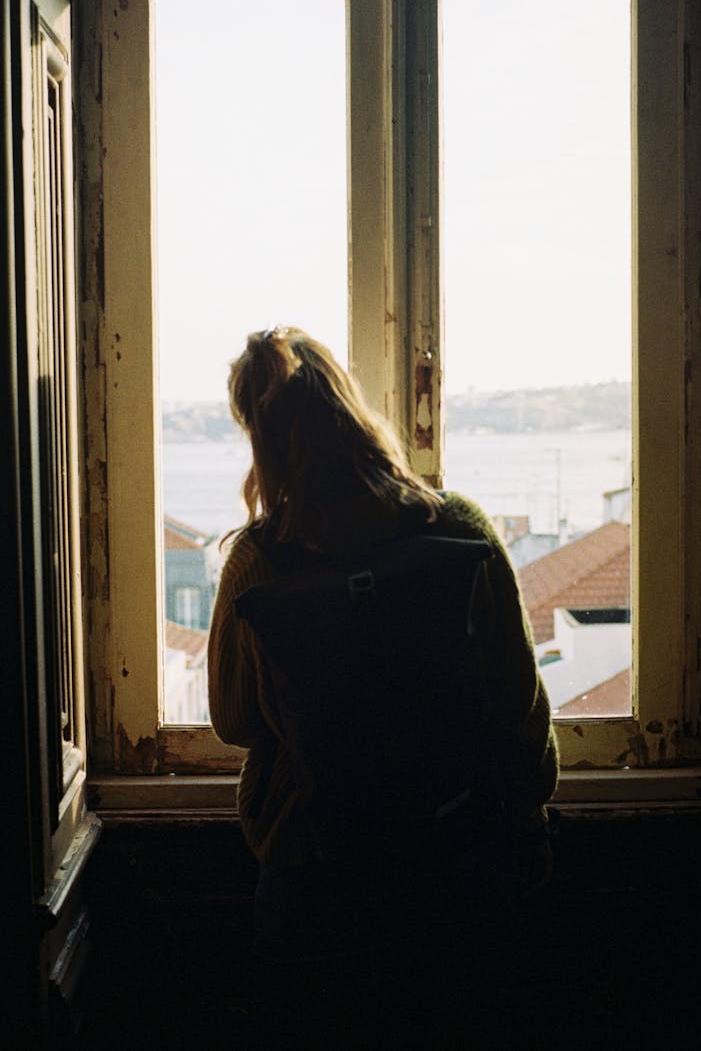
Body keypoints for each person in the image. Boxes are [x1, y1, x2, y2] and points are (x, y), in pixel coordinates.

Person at [208, 326, 558, 1048]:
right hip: (455, 859)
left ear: (261, 438)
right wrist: (530, 822)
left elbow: (233, 721)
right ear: (351, 407)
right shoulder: (460, 529)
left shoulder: (258, 560)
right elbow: (519, 705)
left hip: (313, 874)